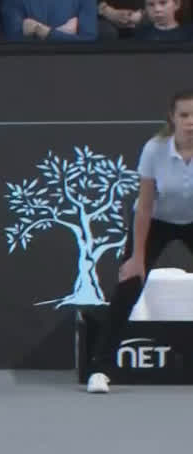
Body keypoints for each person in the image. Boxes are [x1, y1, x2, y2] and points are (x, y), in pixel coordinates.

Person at [86, 88, 193, 394]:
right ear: (172, 118)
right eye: (184, 115)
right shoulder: (154, 150)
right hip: (156, 221)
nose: (190, 122)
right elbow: (144, 206)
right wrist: (137, 258)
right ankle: (100, 370)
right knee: (129, 286)